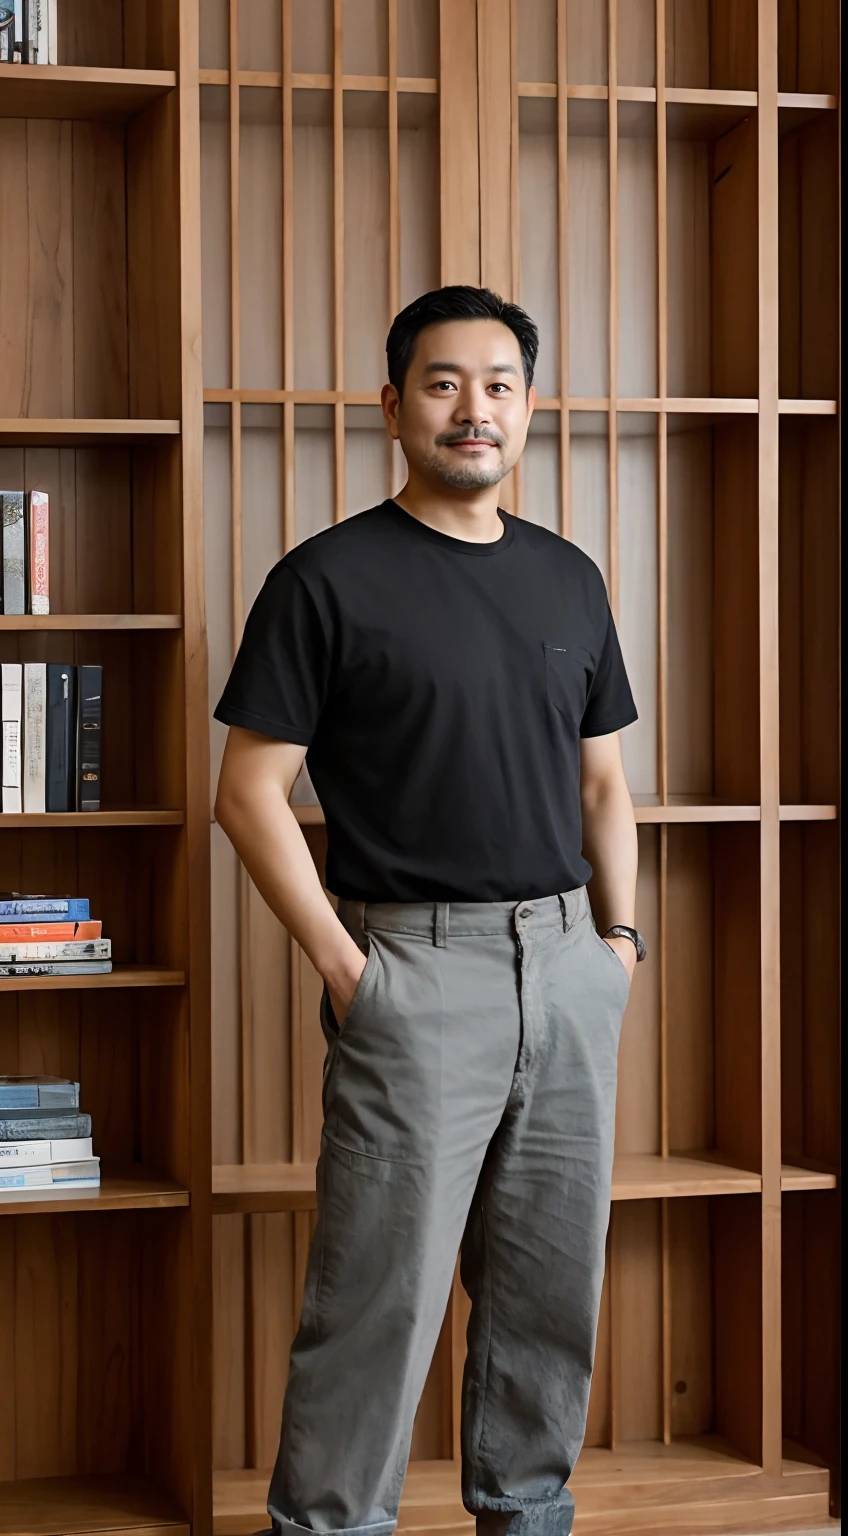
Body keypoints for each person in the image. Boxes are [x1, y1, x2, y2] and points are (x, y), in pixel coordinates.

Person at [213, 285, 645, 1536]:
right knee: (378, 1302)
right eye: (444, 382)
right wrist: (351, 971)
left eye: (499, 383)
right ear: (393, 404)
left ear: (527, 406)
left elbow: (602, 781)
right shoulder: (325, 579)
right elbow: (248, 795)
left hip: (567, 967)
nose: (475, 407)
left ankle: (526, 1512)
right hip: (411, 971)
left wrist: (615, 946)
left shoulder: (568, 578)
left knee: (546, 1293)